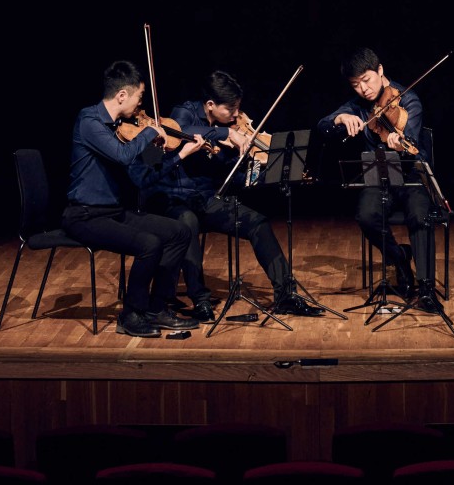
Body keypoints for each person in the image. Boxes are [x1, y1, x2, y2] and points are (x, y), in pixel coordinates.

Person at [129, 69, 325, 320]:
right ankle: (200, 300)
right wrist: (227, 133)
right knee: (187, 222)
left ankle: (286, 295)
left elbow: (235, 176)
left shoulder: (224, 128)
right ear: (210, 105)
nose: (236, 116)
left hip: (206, 200)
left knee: (258, 223)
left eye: (237, 109)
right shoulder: (183, 114)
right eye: (231, 110)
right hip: (172, 201)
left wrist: (265, 175)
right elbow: (181, 132)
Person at [61, 59, 203, 338]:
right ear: (122, 95)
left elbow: (141, 177)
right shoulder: (89, 121)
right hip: (84, 215)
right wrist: (150, 131)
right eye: (140, 96)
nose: (141, 105)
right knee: (149, 244)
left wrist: (175, 155)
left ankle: (156, 308)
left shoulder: (122, 131)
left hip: (113, 212)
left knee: (178, 232)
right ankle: (130, 315)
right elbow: (123, 155)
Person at [316, 47, 439, 313]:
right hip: (379, 176)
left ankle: (427, 288)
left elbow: (414, 142)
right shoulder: (357, 106)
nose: (363, 89)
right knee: (366, 215)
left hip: (410, 174)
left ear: (380, 71)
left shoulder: (409, 100)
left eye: (367, 80)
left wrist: (400, 142)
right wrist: (340, 117)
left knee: (420, 215)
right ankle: (400, 260)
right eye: (355, 84)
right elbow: (322, 127)